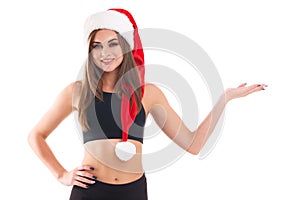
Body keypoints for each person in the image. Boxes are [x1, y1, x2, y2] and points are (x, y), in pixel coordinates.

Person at [28, 8, 266, 200]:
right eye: (96, 46)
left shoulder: (147, 94)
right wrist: (61, 174)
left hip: (133, 193)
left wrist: (225, 98)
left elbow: (193, 144)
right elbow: (36, 135)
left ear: (126, 46)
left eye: (113, 43)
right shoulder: (77, 91)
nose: (105, 52)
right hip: (90, 192)